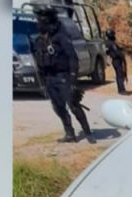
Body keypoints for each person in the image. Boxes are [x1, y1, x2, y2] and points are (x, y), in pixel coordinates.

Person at [32, 5, 95, 144]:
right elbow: (38, 62)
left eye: (41, 21)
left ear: (48, 22)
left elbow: (72, 57)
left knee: (73, 105)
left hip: (63, 76)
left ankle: (88, 131)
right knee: (58, 107)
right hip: (49, 78)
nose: (38, 24)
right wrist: (42, 82)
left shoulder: (60, 38)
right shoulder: (38, 41)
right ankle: (69, 134)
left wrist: (73, 80)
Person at [105, 30, 129, 96]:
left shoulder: (107, 43)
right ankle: (122, 90)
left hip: (114, 60)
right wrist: (121, 55)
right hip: (117, 60)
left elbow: (108, 52)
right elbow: (116, 51)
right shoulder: (112, 43)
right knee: (120, 75)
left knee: (119, 75)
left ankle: (121, 89)